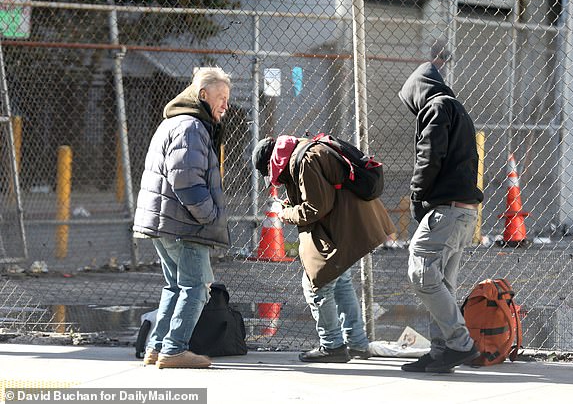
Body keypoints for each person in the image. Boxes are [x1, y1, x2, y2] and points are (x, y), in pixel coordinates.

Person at [252, 135, 396, 363]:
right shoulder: (303, 151)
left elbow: (316, 207)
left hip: (343, 227)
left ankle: (332, 346)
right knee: (341, 283)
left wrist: (284, 213)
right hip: (349, 223)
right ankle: (357, 344)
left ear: (273, 162)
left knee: (315, 286)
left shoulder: (306, 159)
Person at [133, 67, 231, 369]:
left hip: (166, 221)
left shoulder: (176, 122)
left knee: (176, 286)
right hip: (184, 224)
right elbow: (185, 178)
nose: (226, 105)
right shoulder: (191, 126)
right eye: (221, 98)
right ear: (203, 95)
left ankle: (156, 347)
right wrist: (209, 216)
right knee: (197, 286)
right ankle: (174, 350)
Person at [398, 49, 484, 373]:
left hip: (446, 212)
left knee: (420, 271)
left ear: (418, 92)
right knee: (442, 282)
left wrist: (417, 196)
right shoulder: (457, 109)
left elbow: (429, 155)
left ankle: (460, 343)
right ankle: (441, 352)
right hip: (464, 213)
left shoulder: (435, 107)